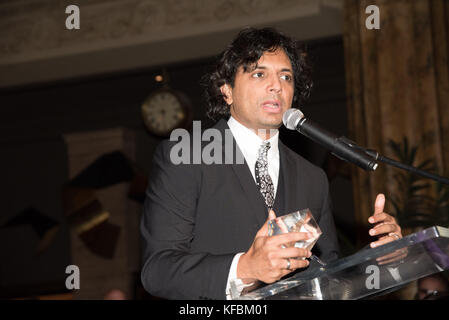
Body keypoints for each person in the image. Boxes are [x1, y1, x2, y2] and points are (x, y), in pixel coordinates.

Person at [140, 27, 402, 300]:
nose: (277, 85)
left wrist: (377, 260)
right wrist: (246, 268)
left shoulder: (312, 178)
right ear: (227, 91)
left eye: (286, 77)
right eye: (259, 73)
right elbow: (157, 271)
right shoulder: (186, 156)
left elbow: (327, 279)